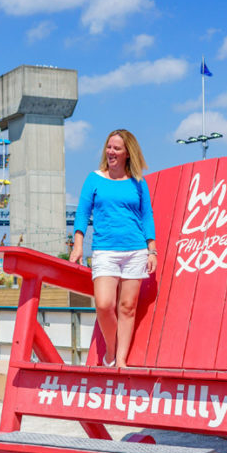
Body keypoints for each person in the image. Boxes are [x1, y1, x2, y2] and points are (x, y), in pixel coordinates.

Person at [69, 129, 157, 367]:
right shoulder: (94, 179)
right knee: (104, 304)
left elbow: (146, 216)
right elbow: (82, 213)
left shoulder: (138, 182)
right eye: (109, 147)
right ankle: (111, 349)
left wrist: (152, 249)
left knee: (128, 307)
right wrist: (78, 245)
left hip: (135, 251)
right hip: (105, 251)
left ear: (128, 153)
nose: (111, 152)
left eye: (117, 148)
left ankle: (121, 360)